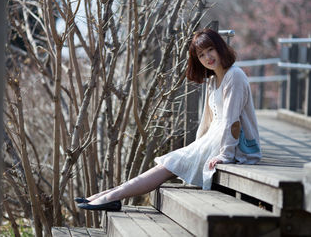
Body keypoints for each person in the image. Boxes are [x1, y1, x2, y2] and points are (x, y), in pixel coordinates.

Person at [76, 28, 262, 211]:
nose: (207, 57)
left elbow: (232, 123)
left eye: (210, 50)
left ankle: (111, 197)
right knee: (169, 162)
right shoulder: (213, 81)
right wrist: (195, 149)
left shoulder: (235, 76)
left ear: (220, 47)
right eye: (201, 54)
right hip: (214, 141)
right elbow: (207, 123)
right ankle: (107, 194)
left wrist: (225, 155)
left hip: (236, 148)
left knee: (168, 164)